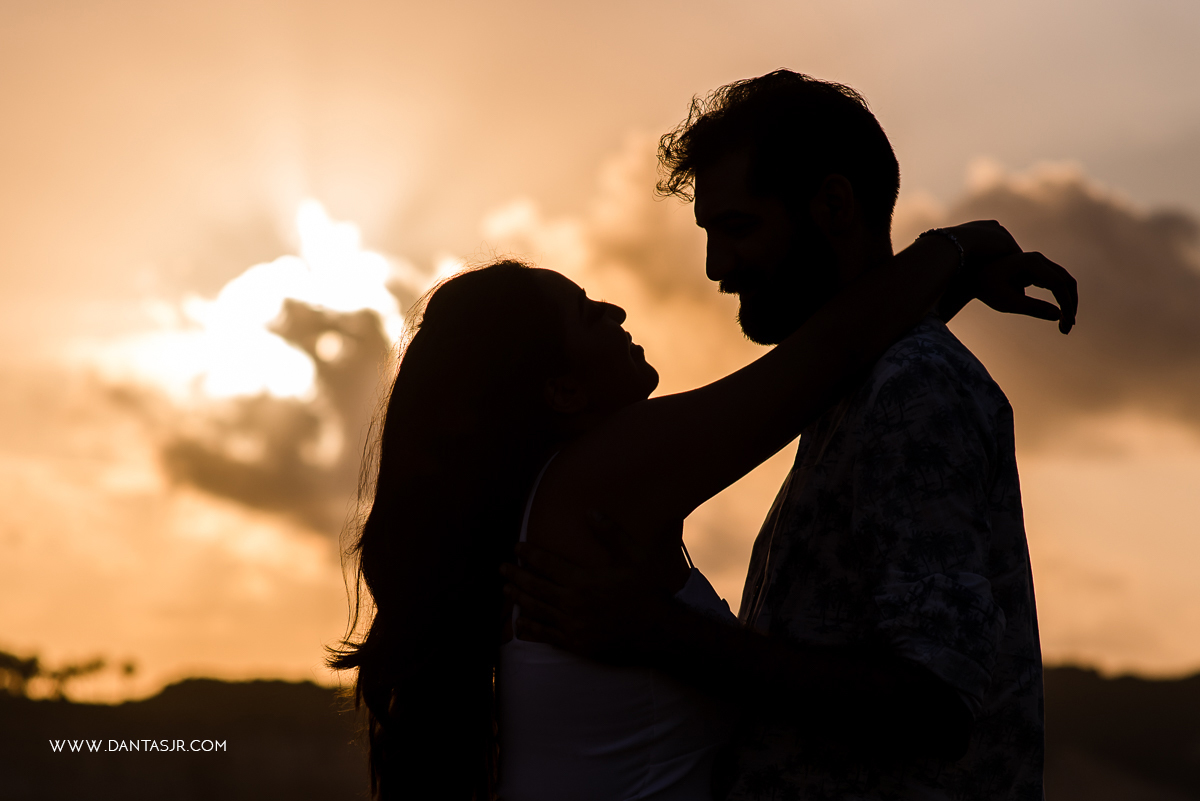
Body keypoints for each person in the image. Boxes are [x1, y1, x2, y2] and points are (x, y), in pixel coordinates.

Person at [504, 70, 1075, 800]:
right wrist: (957, 257)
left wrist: (664, 633)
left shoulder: (912, 388)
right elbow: (840, 346)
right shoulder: (851, 387)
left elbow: (931, 706)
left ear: (834, 204)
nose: (715, 266)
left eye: (738, 228)